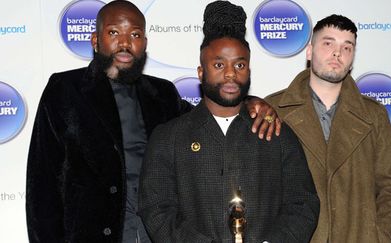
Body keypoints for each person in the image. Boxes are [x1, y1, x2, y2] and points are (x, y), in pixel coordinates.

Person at [25, 1, 280, 242]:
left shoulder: (163, 94)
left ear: (144, 43)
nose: (125, 43)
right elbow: (42, 188)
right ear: (95, 40)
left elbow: (209, 116)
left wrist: (250, 102)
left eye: (135, 35)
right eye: (114, 33)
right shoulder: (65, 90)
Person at [138, 1, 320, 243]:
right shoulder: (169, 138)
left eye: (240, 65)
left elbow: (303, 204)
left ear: (249, 71)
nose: (231, 73)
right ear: (201, 72)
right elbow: (156, 209)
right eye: (219, 65)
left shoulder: (276, 133)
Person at [266, 14, 391, 243]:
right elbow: (257, 187)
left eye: (347, 47)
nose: (338, 53)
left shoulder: (373, 115)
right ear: (309, 51)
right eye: (328, 43)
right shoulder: (273, 110)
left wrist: (381, 238)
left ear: (353, 58)